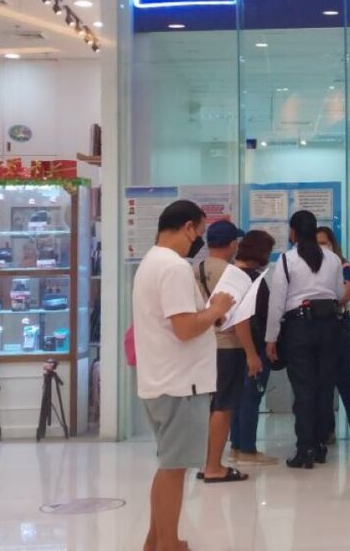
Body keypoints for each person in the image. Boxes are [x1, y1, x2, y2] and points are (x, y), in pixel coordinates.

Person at [133, 200, 235, 551]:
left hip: (162, 380)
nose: (199, 241)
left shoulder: (151, 262)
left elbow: (178, 321)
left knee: (169, 465)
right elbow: (184, 328)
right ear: (189, 227)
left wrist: (208, 315)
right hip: (179, 384)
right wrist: (217, 309)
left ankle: (156, 539)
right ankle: (168, 543)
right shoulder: (174, 268)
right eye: (200, 233)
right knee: (174, 468)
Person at [266, 210, 346, 469]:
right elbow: (338, 293)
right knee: (325, 387)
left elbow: (277, 302)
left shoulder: (287, 260)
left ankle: (304, 448)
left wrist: (271, 338)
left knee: (303, 388)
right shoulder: (333, 259)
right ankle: (321, 444)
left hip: (299, 327)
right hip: (328, 326)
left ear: (294, 233)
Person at [193, 220, 261, 484]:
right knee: (224, 406)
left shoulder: (193, 269)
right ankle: (213, 467)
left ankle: (206, 461)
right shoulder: (234, 274)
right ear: (233, 244)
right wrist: (252, 354)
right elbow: (239, 319)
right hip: (227, 347)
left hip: (201, 344)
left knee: (210, 406)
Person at [316, 226, 350, 450]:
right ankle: (327, 429)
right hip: (318, 327)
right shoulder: (312, 267)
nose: (321, 247)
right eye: (316, 243)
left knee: (345, 380)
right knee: (322, 381)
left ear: (332, 244)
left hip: (338, 324)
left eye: (324, 242)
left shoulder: (343, 265)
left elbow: (348, 290)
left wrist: (333, 305)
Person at [229, 229, 278, 466]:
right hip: (252, 348)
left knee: (238, 399)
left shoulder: (232, 274)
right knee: (251, 397)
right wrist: (252, 354)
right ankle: (247, 449)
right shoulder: (250, 279)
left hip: (234, 348)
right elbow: (244, 318)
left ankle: (237, 446)